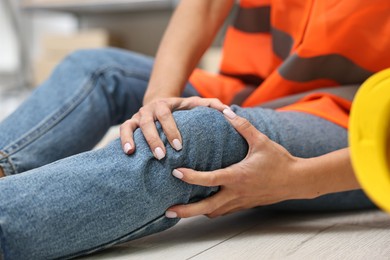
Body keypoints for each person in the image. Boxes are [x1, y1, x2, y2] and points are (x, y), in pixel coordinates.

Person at [0, 0, 388, 259]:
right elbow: (203, 7)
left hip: (359, 122)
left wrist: (296, 179)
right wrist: (158, 101)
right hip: (258, 86)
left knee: (192, 138)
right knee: (96, 70)